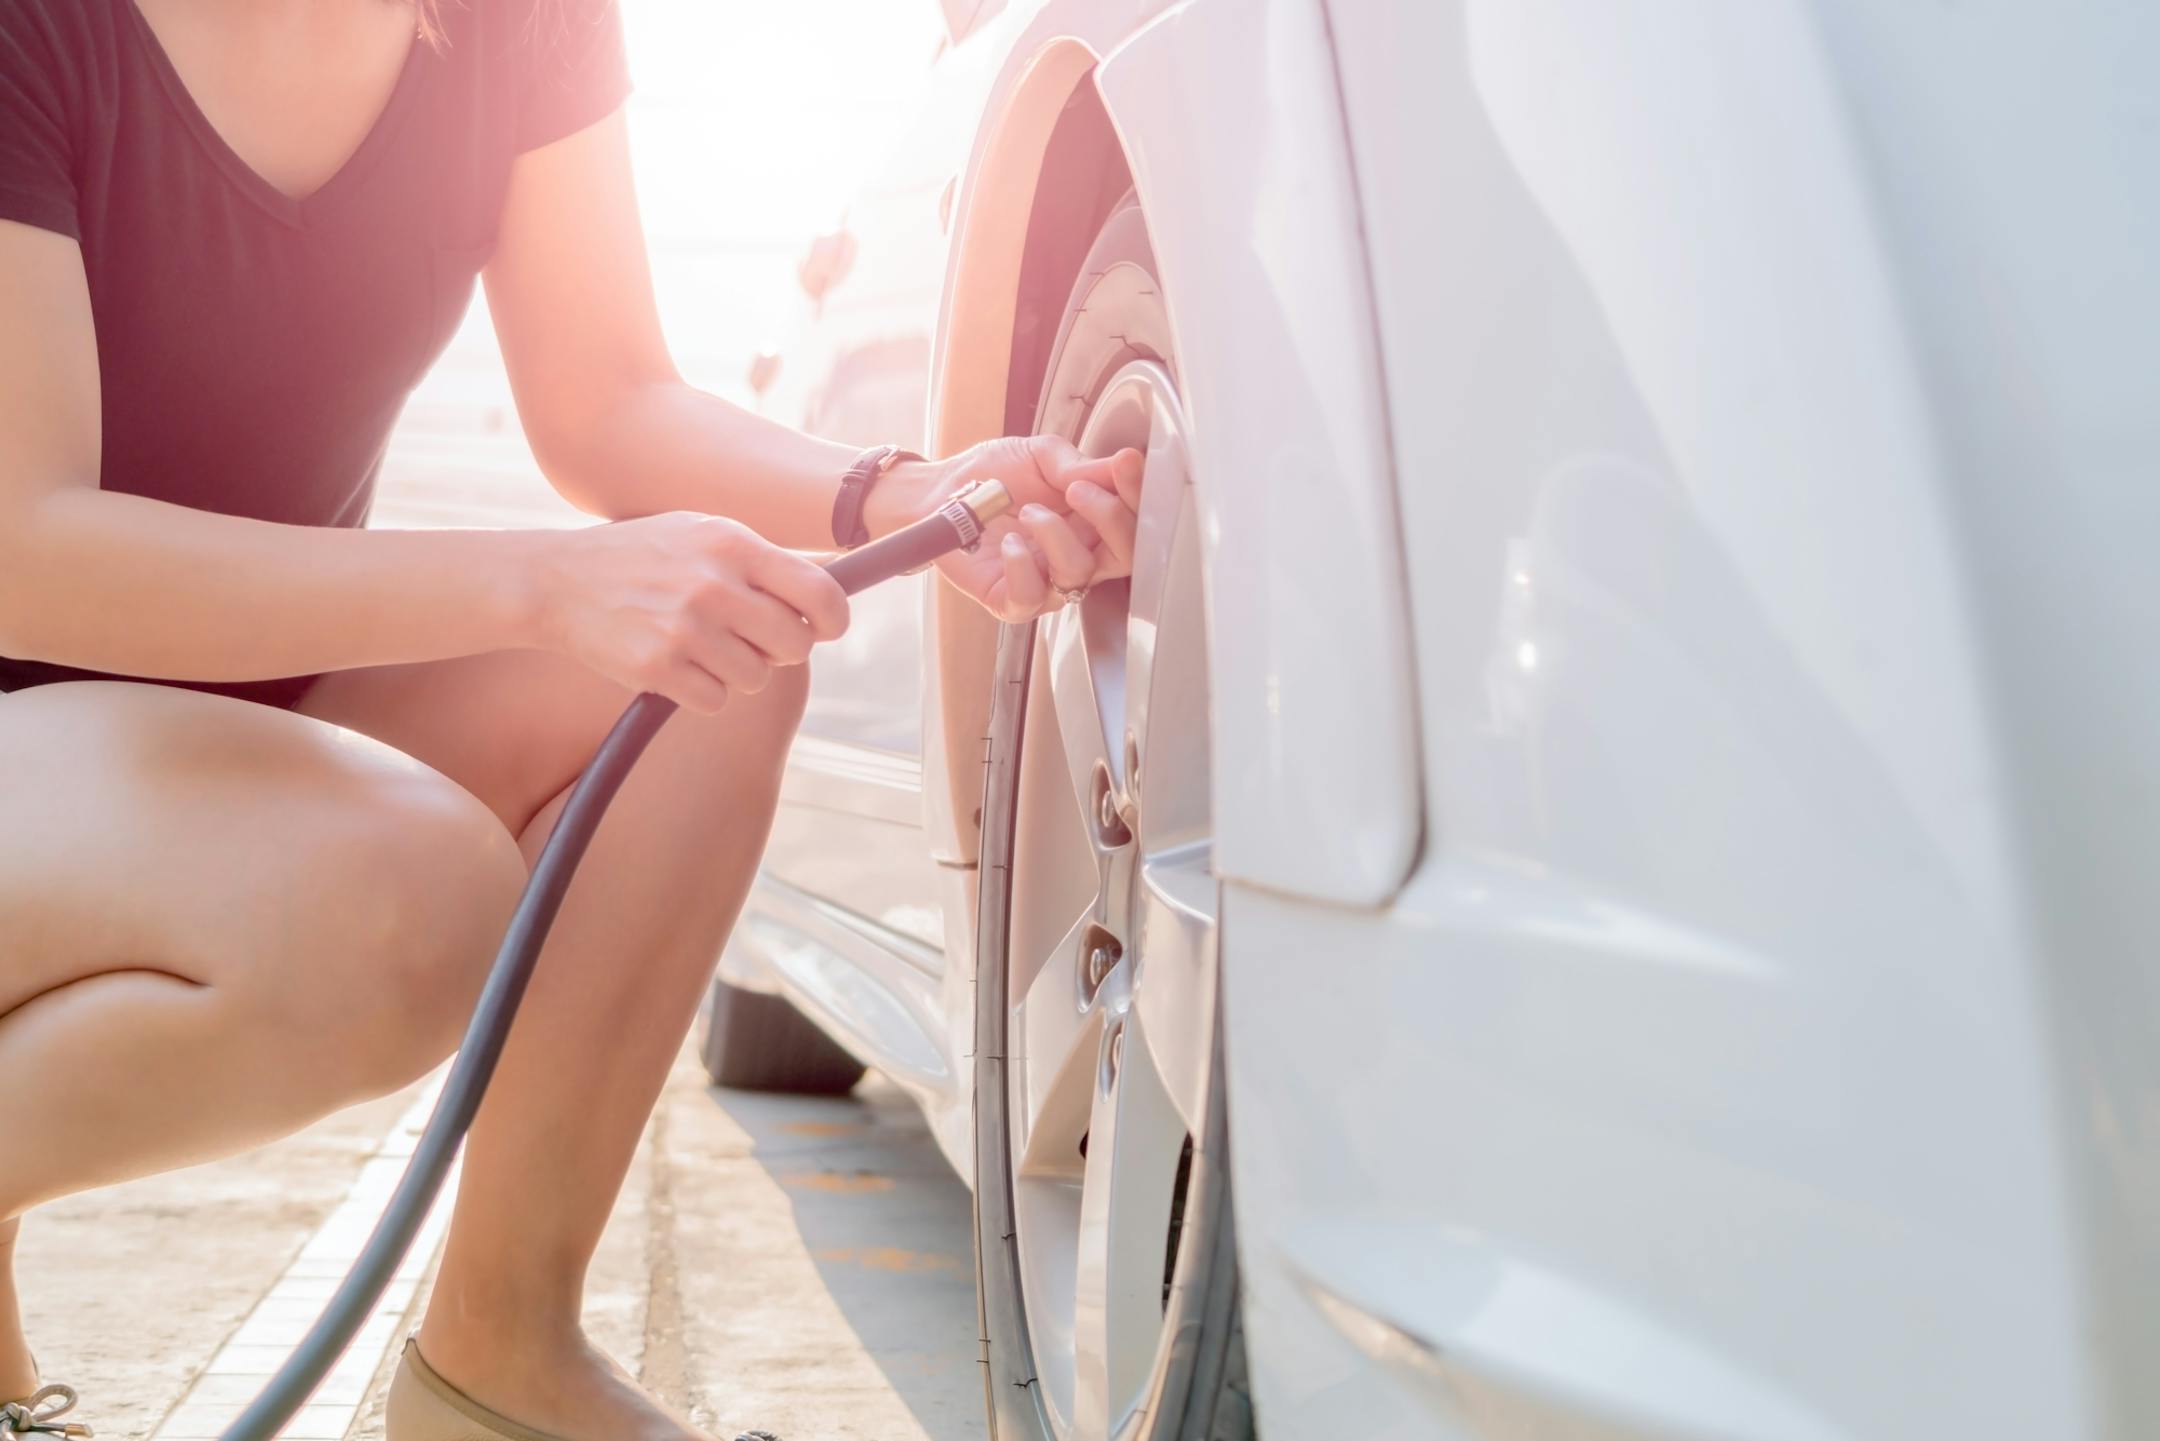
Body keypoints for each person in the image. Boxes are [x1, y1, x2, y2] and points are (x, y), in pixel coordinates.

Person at [0, 0, 1145, 1437]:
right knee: (399, 894)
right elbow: (25, 554)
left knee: (712, 660)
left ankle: (497, 1359)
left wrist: (901, 496)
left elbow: (609, 401)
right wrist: (543, 579)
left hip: (217, 717)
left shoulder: (515, 18)